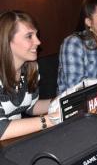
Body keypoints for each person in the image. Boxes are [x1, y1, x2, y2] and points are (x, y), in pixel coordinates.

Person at [0, 11, 57, 140]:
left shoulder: (31, 68)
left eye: (36, 35)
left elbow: (30, 106)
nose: (38, 41)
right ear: (7, 40)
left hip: (12, 145)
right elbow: (1, 129)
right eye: (29, 36)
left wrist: (62, 101)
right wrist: (50, 120)